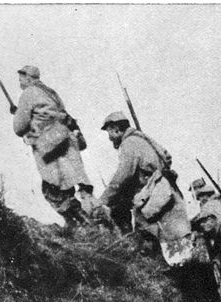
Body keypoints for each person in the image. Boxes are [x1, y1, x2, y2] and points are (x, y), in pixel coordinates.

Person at [96, 112, 192, 263]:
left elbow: (123, 174)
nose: (110, 138)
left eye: (109, 133)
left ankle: (157, 270)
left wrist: (103, 199)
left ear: (116, 129)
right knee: (161, 240)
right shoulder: (143, 140)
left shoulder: (129, 143)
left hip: (151, 196)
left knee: (145, 239)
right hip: (163, 192)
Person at [12, 65, 93, 227]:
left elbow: (19, 127)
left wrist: (17, 114)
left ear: (29, 78)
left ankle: (81, 224)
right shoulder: (51, 93)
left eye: (21, 78)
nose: (20, 82)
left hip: (49, 147)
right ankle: (81, 225)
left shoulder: (28, 93)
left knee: (52, 189)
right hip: (66, 143)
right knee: (65, 186)